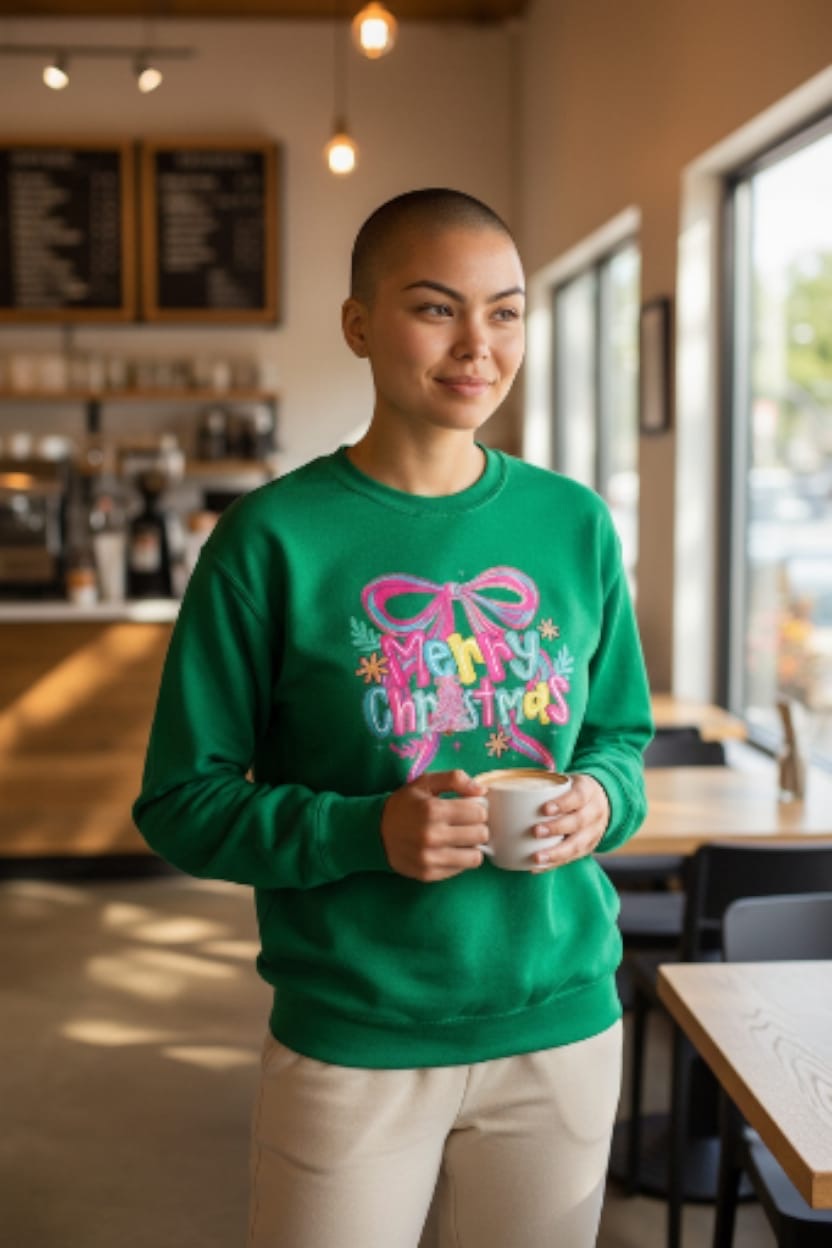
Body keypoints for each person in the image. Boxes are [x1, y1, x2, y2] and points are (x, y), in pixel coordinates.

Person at [133, 187, 653, 1248]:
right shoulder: (271, 541)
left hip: (560, 1024)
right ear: (359, 324)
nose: (478, 345)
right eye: (435, 308)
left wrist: (602, 800)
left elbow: (618, 737)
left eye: (504, 312)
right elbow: (182, 803)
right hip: (353, 1039)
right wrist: (365, 831)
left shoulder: (573, 524)